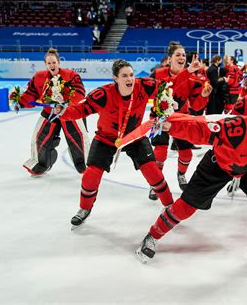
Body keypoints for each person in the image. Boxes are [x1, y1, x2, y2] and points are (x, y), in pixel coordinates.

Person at [135, 89, 247, 269]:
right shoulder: (238, 127)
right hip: (218, 166)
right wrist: (172, 126)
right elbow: (201, 130)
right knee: (186, 208)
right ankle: (152, 236)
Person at [54, 59, 176, 228]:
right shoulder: (103, 94)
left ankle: (170, 205)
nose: (130, 79)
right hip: (106, 138)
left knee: (152, 171)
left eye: (132, 75)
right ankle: (84, 209)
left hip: (134, 136)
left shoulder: (145, 85)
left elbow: (166, 90)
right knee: (90, 175)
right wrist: (63, 111)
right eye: (124, 76)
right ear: (115, 78)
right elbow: (81, 110)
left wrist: (162, 109)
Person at [9, 48, 89, 176]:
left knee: (78, 138)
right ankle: (40, 163)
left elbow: (80, 92)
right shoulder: (39, 77)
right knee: (39, 137)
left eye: (54, 62)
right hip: (49, 112)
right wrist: (20, 101)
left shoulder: (71, 75)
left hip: (70, 112)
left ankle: (85, 164)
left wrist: (66, 104)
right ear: (46, 64)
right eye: (49, 63)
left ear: (58, 63)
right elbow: (31, 93)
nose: (52, 65)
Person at [150, 42, 212, 198]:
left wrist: (203, 97)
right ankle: (156, 183)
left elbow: (196, 105)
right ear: (169, 58)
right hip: (161, 116)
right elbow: (167, 91)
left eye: (184, 55)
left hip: (181, 117)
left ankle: (181, 174)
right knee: (160, 152)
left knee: (186, 154)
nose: (182, 57)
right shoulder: (158, 74)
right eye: (178, 55)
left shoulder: (193, 78)